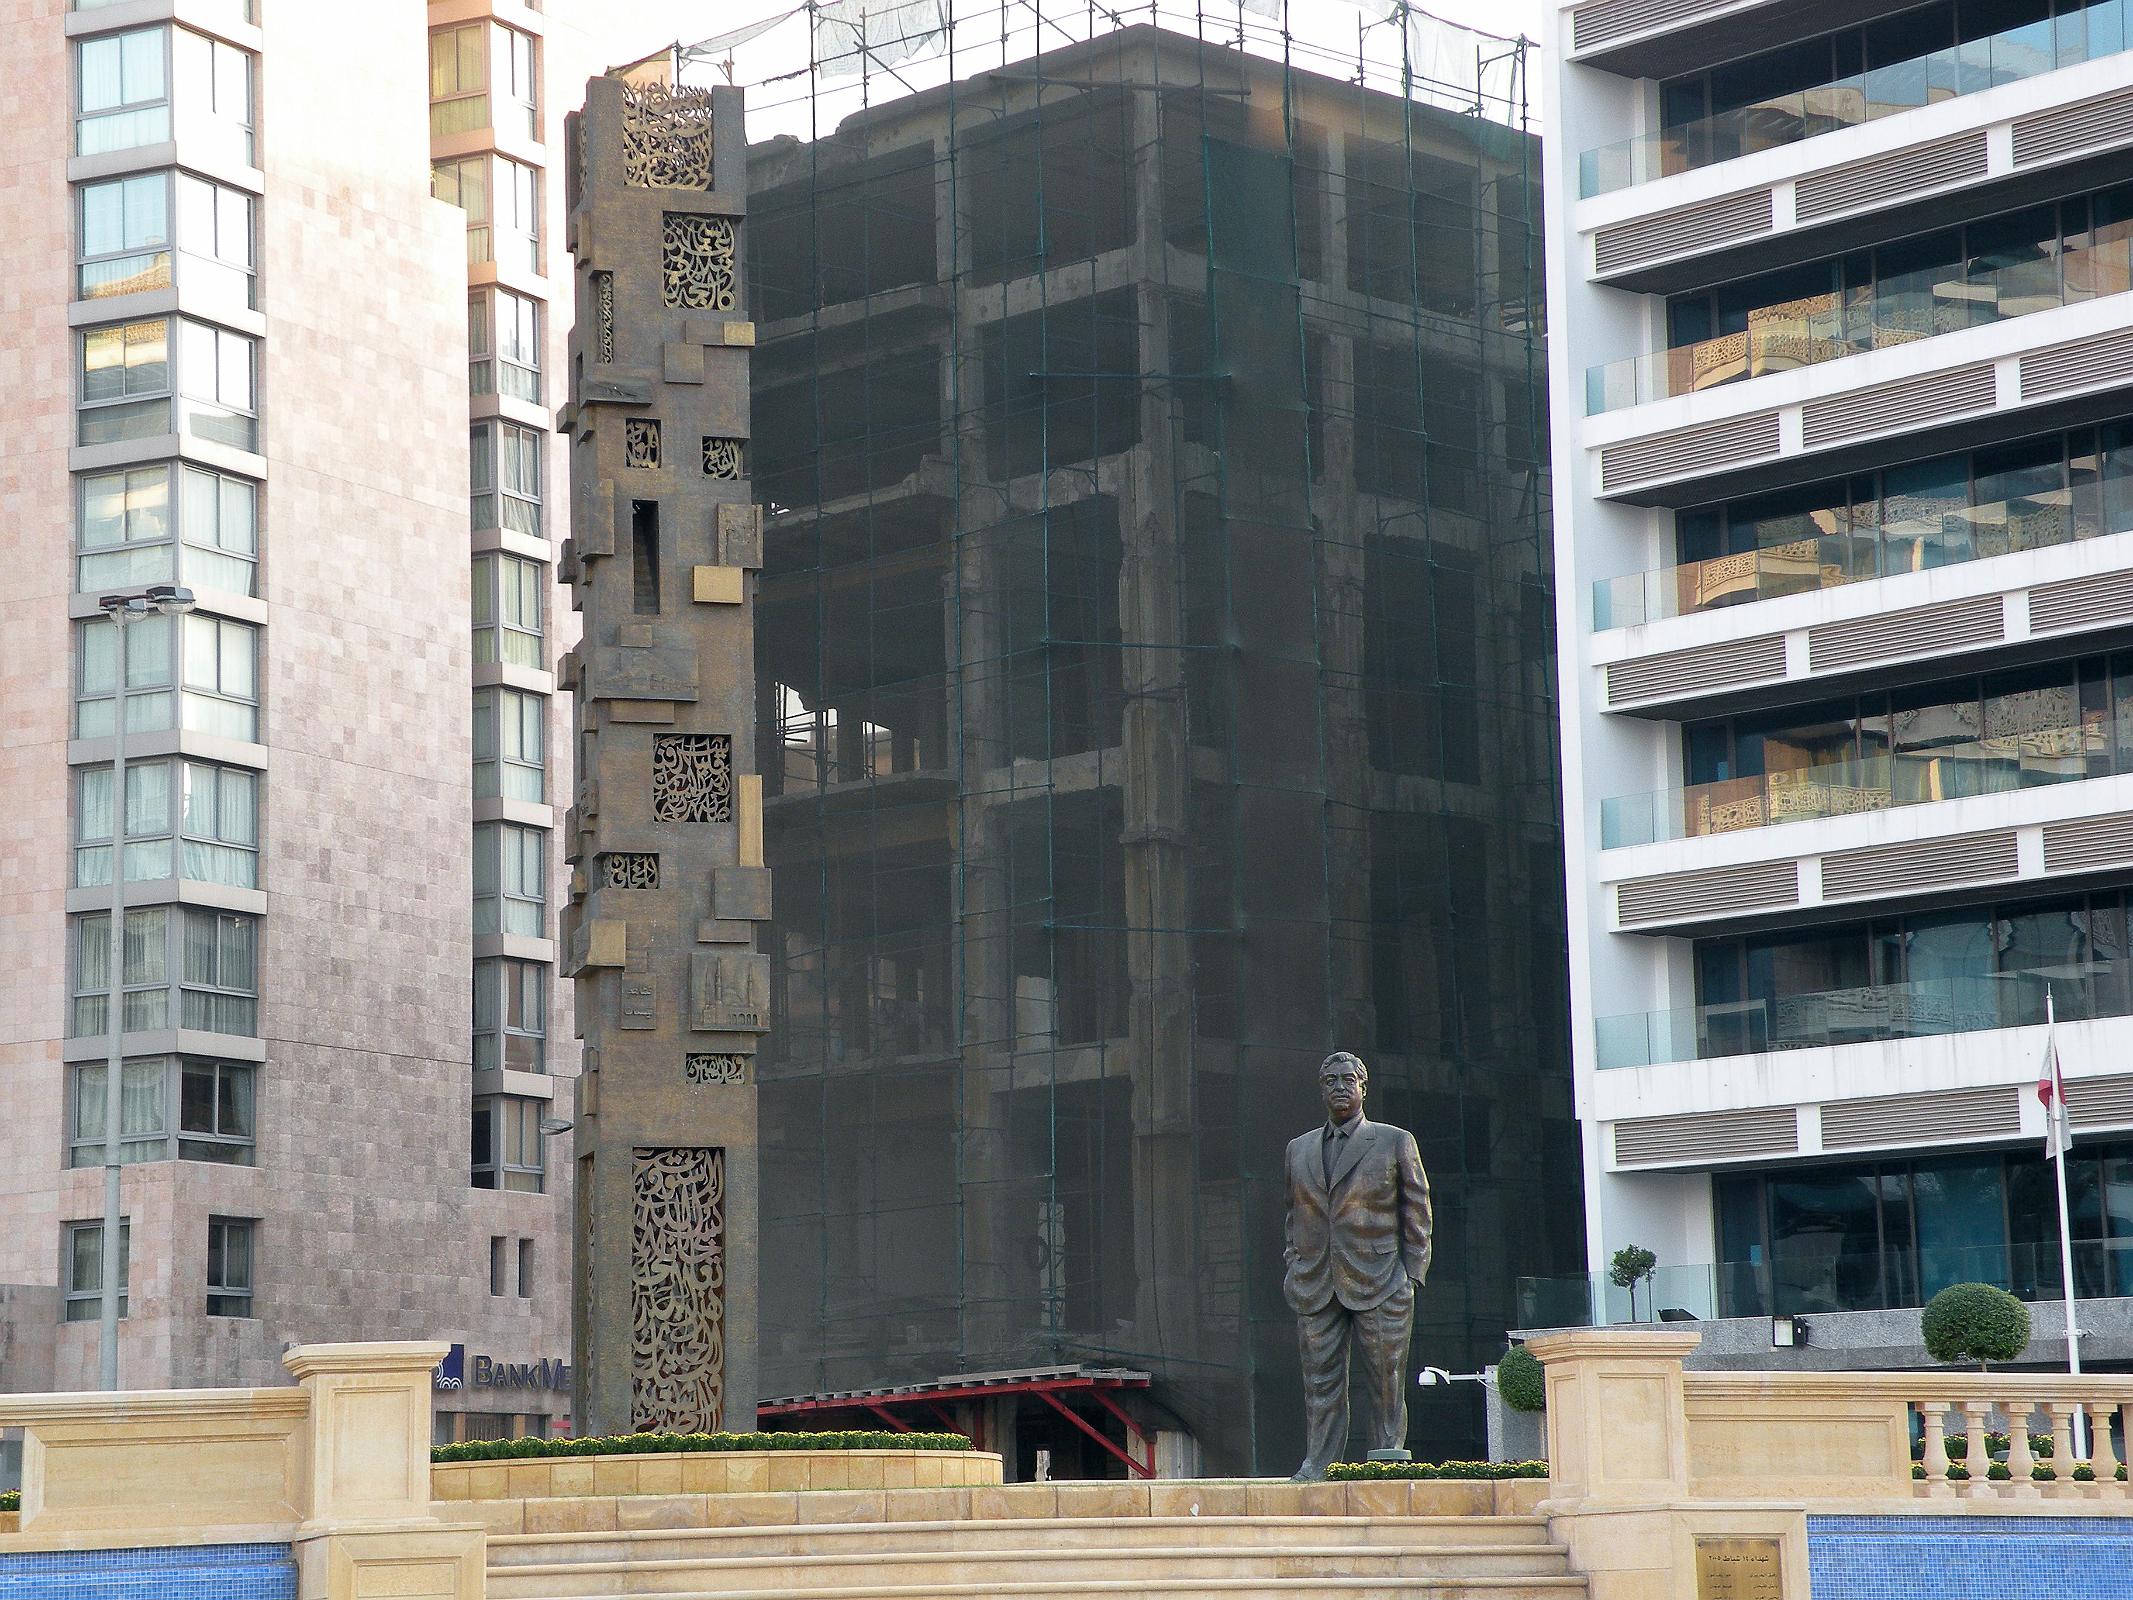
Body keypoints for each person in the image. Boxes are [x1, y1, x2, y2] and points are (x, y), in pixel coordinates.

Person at [1282, 1050, 1433, 1481]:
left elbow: (1417, 1211)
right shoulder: (1299, 1149)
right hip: (1316, 1280)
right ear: (1321, 1089)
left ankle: (1386, 1456)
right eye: (1331, 1080)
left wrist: (1411, 1273)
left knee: (1386, 1377)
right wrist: (1294, 1262)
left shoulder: (1394, 1140)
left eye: (1349, 1080)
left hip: (1383, 1277)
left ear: (1363, 1087)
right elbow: (1293, 1215)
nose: (1340, 1087)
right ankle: (1318, 1463)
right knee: (1319, 1383)